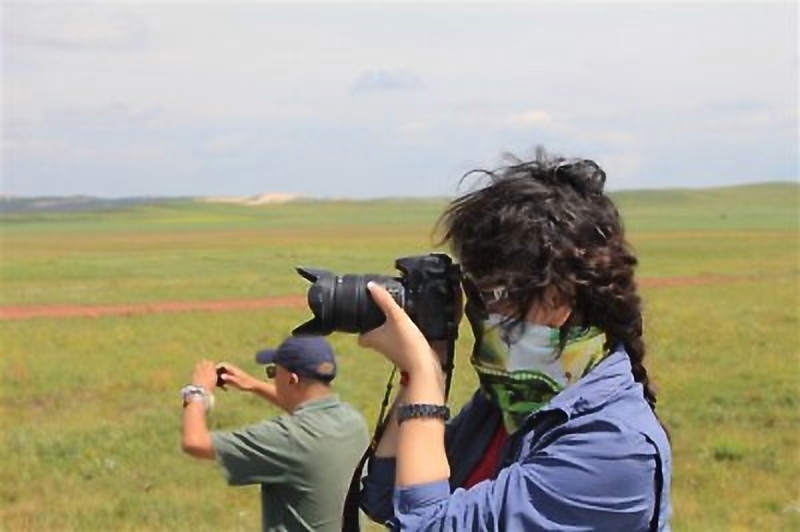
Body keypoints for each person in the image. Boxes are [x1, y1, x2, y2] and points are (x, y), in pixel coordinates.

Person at [358, 149, 672, 530]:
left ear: (560, 295)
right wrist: (432, 357)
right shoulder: (514, 402)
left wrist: (423, 374)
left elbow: (426, 525)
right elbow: (387, 495)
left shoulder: (614, 448)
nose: (480, 311)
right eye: (473, 291)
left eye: (493, 293)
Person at [180, 335, 370, 532]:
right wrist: (253, 385)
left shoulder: (288, 438)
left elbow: (195, 442)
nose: (272, 378)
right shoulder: (354, 422)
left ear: (292, 379)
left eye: (272, 372)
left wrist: (197, 392)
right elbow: (306, 408)